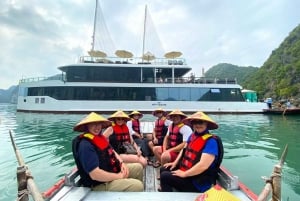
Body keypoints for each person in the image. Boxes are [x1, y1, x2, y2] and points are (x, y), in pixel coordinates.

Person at [72, 112, 144, 191]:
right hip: (99, 184)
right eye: (93, 124)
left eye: (99, 124)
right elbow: (95, 175)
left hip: (111, 169)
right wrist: (119, 176)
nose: (97, 127)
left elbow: (112, 150)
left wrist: (121, 163)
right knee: (138, 186)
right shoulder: (85, 145)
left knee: (138, 168)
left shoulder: (100, 137)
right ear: (86, 126)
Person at [159, 111, 224, 192]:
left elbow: (203, 165)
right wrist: (174, 163)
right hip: (187, 172)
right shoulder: (192, 136)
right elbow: (183, 150)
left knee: (165, 176)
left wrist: (184, 174)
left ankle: (169, 196)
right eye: (195, 122)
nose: (198, 125)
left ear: (206, 124)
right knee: (164, 168)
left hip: (197, 182)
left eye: (200, 122)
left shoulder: (211, 141)